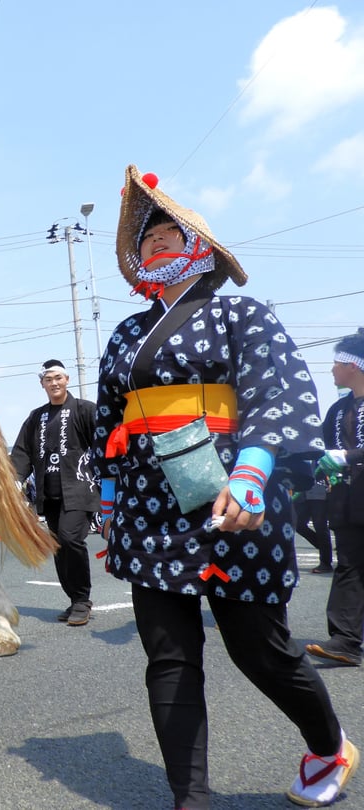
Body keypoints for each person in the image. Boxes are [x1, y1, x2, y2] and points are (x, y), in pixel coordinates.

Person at [92, 165, 355, 809]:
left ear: (200, 250)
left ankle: (329, 746)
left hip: (233, 496)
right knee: (168, 656)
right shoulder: (126, 334)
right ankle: (191, 796)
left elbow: (278, 390)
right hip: (149, 508)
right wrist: (105, 493)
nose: (156, 242)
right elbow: (109, 421)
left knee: (260, 649)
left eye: (170, 236)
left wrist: (254, 470)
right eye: (148, 239)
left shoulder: (241, 312)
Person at [10, 359, 99, 626]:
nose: (54, 383)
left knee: (72, 539)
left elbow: (104, 443)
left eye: (58, 378)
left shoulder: (85, 410)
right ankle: (74, 600)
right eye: (49, 379)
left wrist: (109, 480)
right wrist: (16, 480)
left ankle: (82, 599)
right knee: (59, 547)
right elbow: (23, 451)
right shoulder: (37, 416)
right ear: (42, 384)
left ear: (67, 380)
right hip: (49, 493)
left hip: (80, 488)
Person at [304, 329, 364, 670]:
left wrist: (348, 456)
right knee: (349, 568)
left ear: (354, 366)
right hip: (346, 501)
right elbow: (318, 447)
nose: (332, 370)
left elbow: (344, 452)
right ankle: (345, 642)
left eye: (337, 363)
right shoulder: (339, 409)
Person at [295, 476, 334, 574]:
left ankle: (326, 563)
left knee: (320, 527)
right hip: (302, 492)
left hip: (319, 492)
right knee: (298, 525)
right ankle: (323, 547)